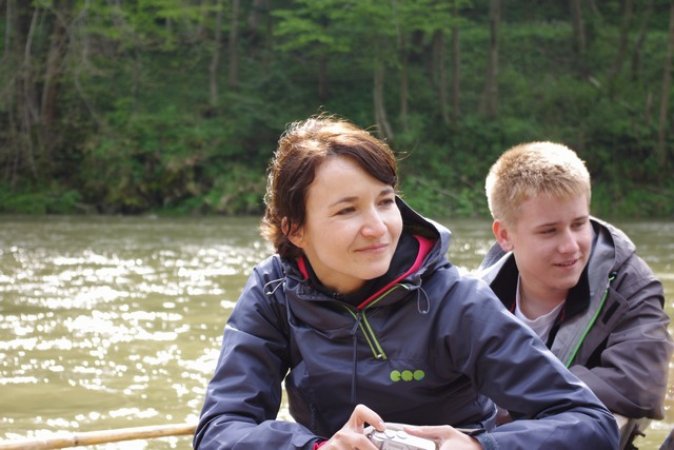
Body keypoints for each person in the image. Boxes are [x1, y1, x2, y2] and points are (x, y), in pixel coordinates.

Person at [193, 116, 619, 450]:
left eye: (385, 202)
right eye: (347, 210)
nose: (377, 228)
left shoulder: (457, 300)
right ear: (294, 229)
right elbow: (219, 431)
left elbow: (590, 423)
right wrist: (317, 447)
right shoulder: (273, 292)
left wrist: (480, 446)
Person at [478, 141, 672, 448]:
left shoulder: (633, 286)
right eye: (549, 231)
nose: (570, 246)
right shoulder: (471, 295)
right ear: (504, 235)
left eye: (579, 224)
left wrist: (512, 403)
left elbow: (638, 385)